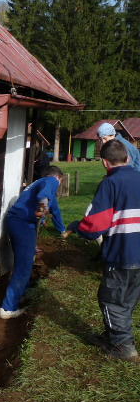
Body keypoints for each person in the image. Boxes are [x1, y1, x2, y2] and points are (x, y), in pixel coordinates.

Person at [67, 139, 140, 361]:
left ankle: (123, 347)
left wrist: (77, 227)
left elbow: (95, 226)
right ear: (128, 158)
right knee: (127, 298)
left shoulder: (110, 183)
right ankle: (113, 336)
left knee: (111, 299)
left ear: (104, 163)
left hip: (122, 253)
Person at [0, 166, 67, 319]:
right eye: (60, 181)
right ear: (58, 177)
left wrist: (62, 230)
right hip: (22, 224)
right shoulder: (50, 180)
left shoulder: (38, 184)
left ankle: (21, 292)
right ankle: (8, 308)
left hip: (20, 223)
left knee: (26, 260)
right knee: (23, 266)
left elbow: (55, 210)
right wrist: (43, 209)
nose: (58, 185)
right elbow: (43, 197)